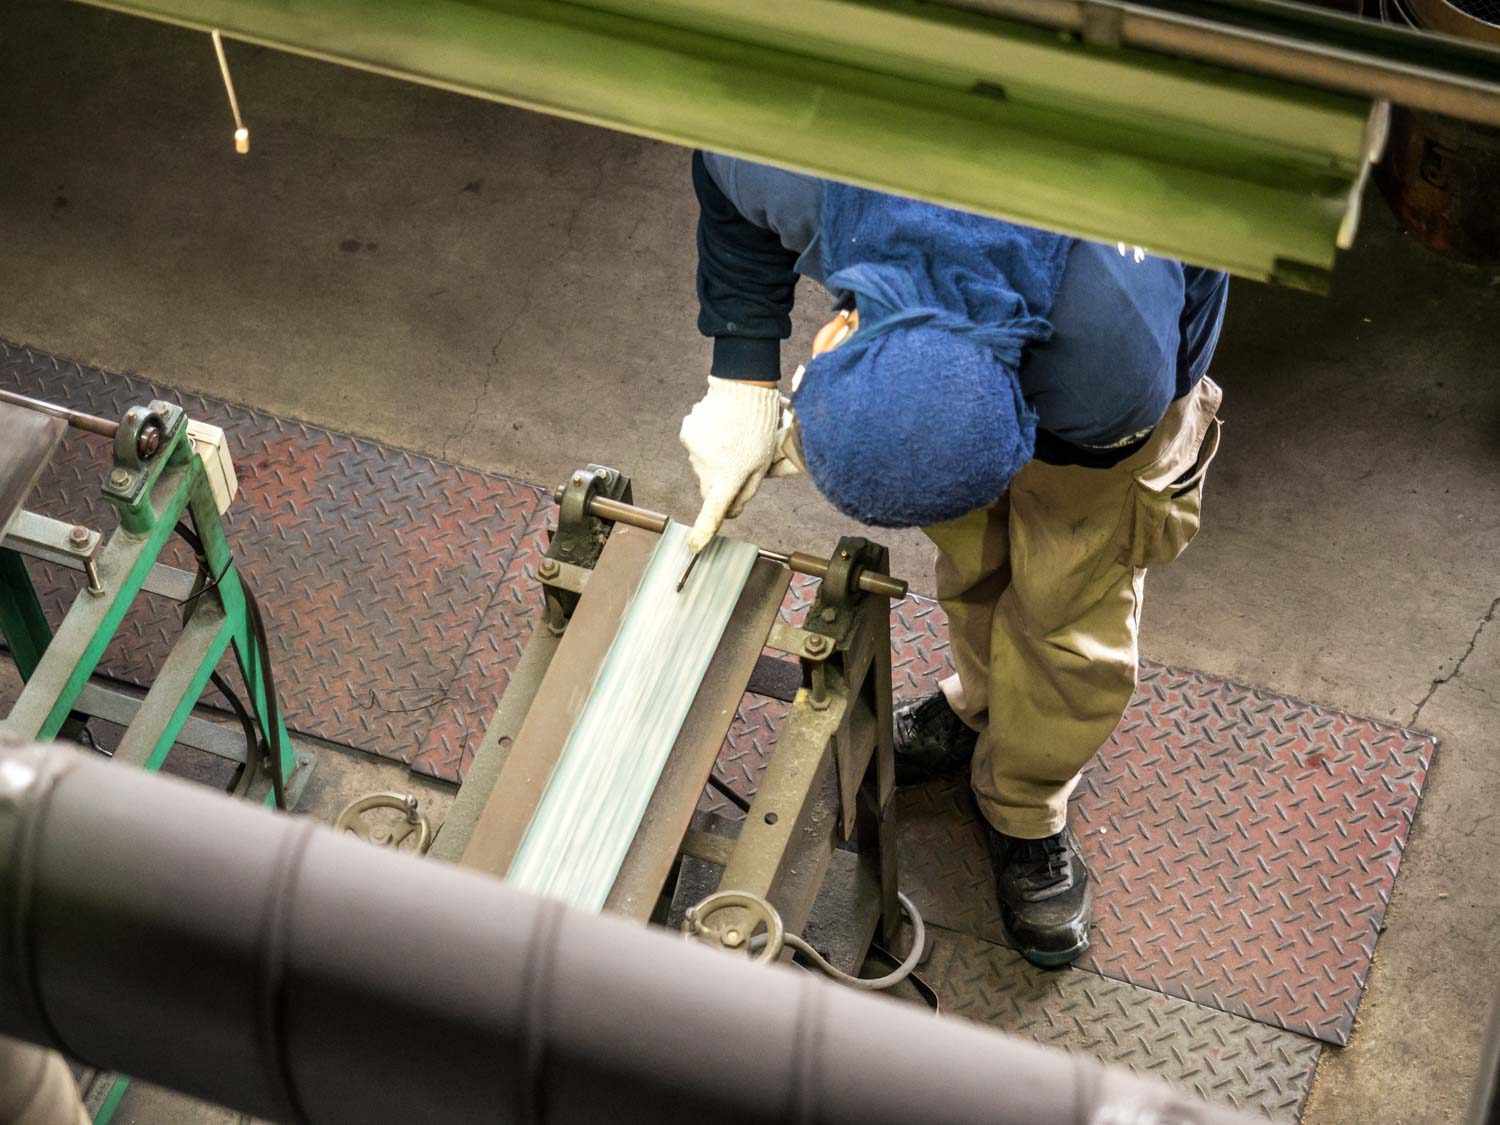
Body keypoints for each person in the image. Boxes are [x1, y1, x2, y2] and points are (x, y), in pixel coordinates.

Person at [679, 152, 1228, 968]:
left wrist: (968, 434)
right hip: (975, 350)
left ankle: (1025, 805)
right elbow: (726, 192)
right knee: (974, 559)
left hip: (1113, 413)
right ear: (847, 332)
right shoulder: (787, 165)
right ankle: (977, 706)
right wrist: (742, 371)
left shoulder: (1112, 360)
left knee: (1066, 615)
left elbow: (1120, 403)